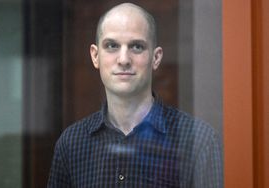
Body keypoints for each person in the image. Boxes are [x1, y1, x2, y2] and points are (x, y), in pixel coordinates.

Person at [47, 2, 223, 188]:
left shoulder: (199, 142)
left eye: (136, 47)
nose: (123, 60)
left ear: (156, 58)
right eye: (112, 45)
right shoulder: (71, 144)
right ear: (95, 56)